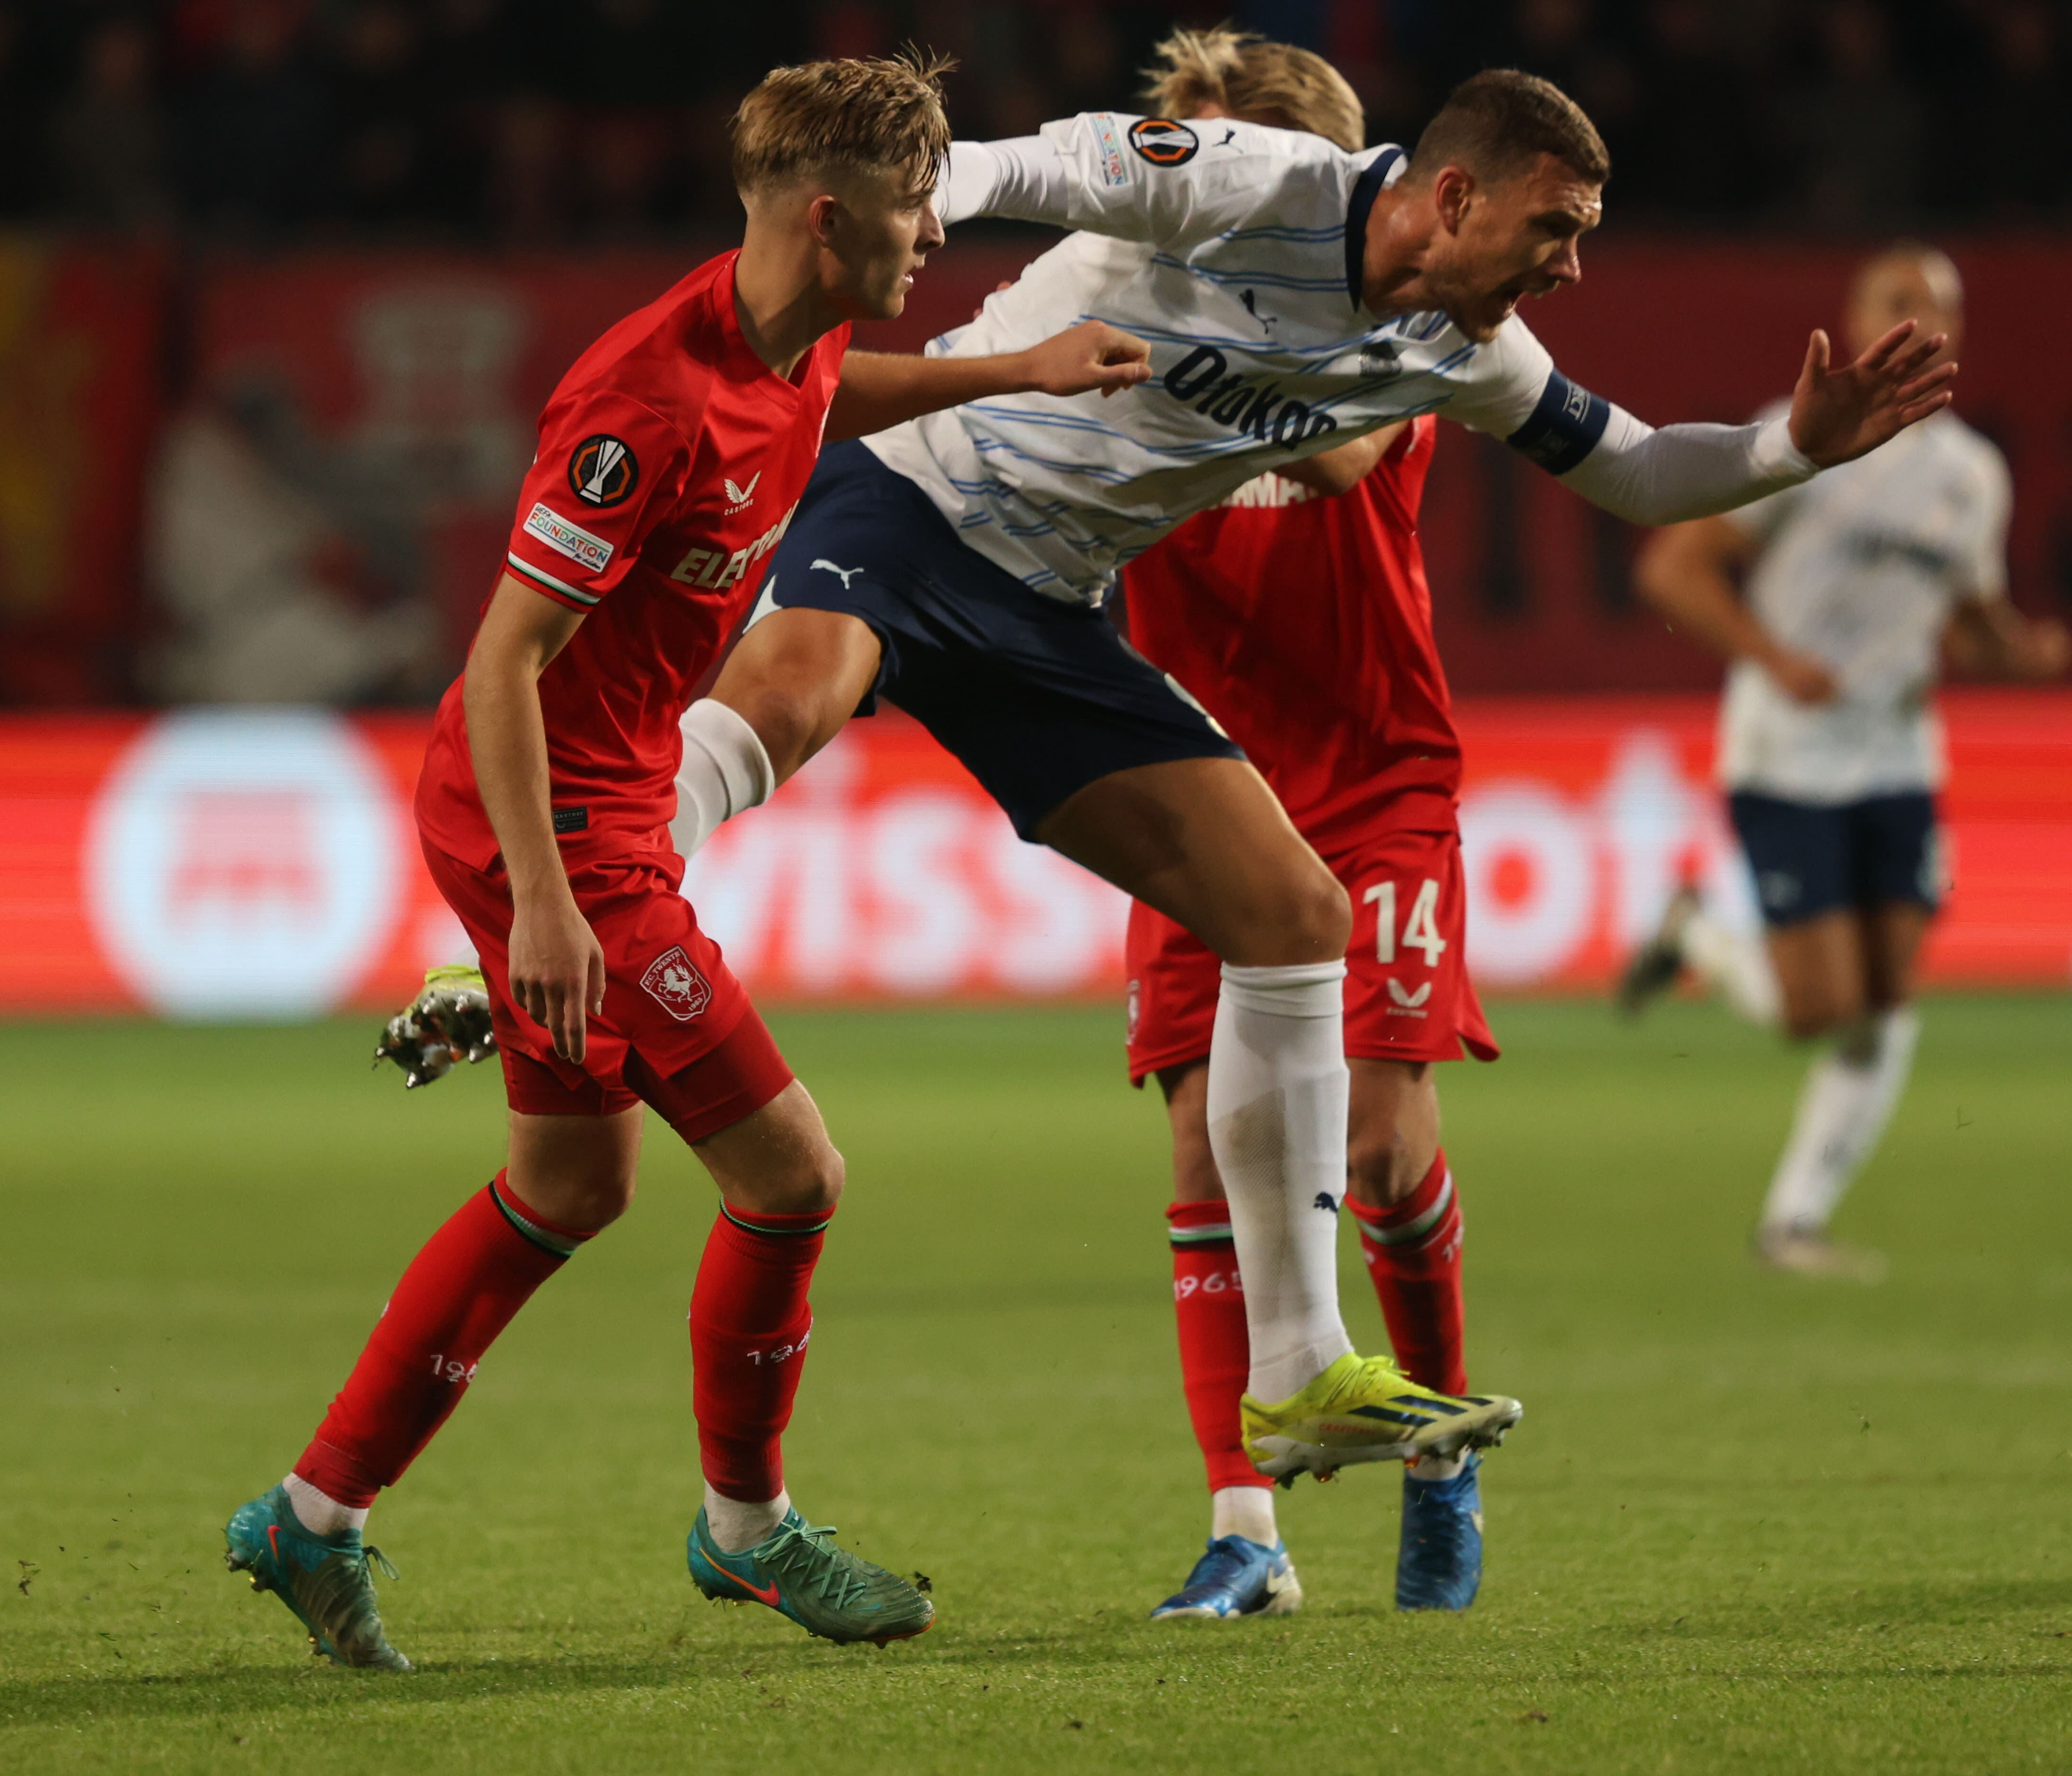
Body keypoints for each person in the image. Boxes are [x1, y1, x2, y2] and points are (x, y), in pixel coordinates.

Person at [658, 68, 1957, 1502]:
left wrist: (1794, 450)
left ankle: (1296, 1371)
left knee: (1292, 916)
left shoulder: (1467, 349)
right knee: (790, 694)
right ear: (1455, 195)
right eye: (1557, 227)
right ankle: (602, 906)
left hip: (1049, 606)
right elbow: (997, 170)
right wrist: (819, 287)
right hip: (913, 492)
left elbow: (1640, 471)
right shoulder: (1247, 185)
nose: (1572, 265)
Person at [225, 51, 1154, 1670]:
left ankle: (309, 1517)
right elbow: (510, 657)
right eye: (913, 209)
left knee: (568, 1185)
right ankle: (747, 1531)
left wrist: (1020, 370)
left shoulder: (786, 336)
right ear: (824, 216)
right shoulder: (640, 406)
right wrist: (548, 911)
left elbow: (826, 395)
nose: (936, 230)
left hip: (603, 801)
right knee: (793, 1175)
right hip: (561, 823)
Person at [1103, 29, 1494, 1622]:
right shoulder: (1111, 321)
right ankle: (1248, 1530)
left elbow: (1339, 454)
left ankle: (1438, 1452)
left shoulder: (1406, 329)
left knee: (1380, 1151)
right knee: (1206, 1143)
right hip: (1190, 781)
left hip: (1371, 776)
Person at [1617, 244, 2069, 1281]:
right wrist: (1775, 658)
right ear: (1857, 319)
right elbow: (1673, 569)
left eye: (1941, 307)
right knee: (1820, 1009)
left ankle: (1793, 1222)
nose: (1923, 320)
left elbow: (1967, 620)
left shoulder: (1971, 475)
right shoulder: (1802, 439)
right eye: (1900, 303)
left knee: (1887, 1003)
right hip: (1786, 755)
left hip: (1899, 757)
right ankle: (1704, 943)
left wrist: (2019, 651)